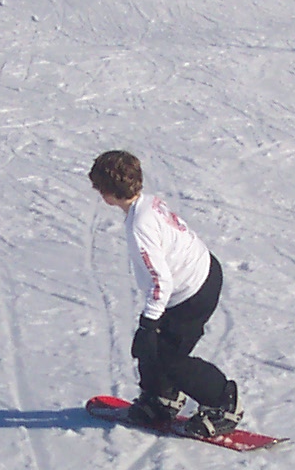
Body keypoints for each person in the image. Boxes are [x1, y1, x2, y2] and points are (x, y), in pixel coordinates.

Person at [89, 150, 242, 438]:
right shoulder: (147, 204)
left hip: (193, 291)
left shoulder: (139, 225)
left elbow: (161, 280)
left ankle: (224, 402)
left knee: (169, 358)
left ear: (107, 193)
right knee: (151, 350)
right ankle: (163, 397)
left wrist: (148, 324)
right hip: (196, 277)